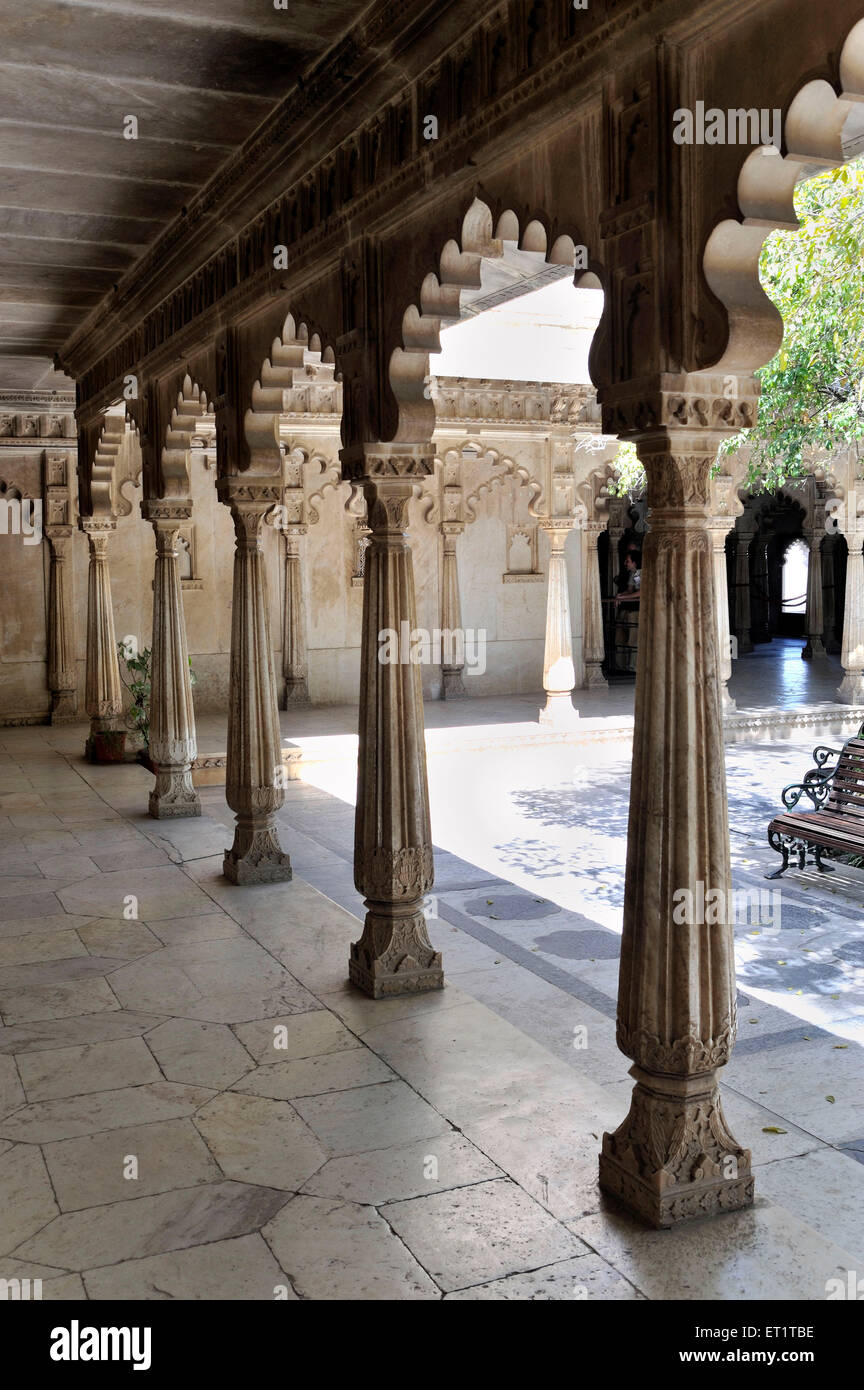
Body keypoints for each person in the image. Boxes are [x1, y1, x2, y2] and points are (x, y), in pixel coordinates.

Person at [614, 548, 641, 671]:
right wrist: (621, 596)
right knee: (622, 639)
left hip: (636, 610)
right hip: (628, 609)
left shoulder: (641, 573)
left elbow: (641, 592)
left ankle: (633, 667)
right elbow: (630, 590)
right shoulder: (633, 574)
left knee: (633, 640)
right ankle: (622, 666)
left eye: (628, 561)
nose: (626, 563)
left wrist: (624, 597)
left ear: (635, 563)